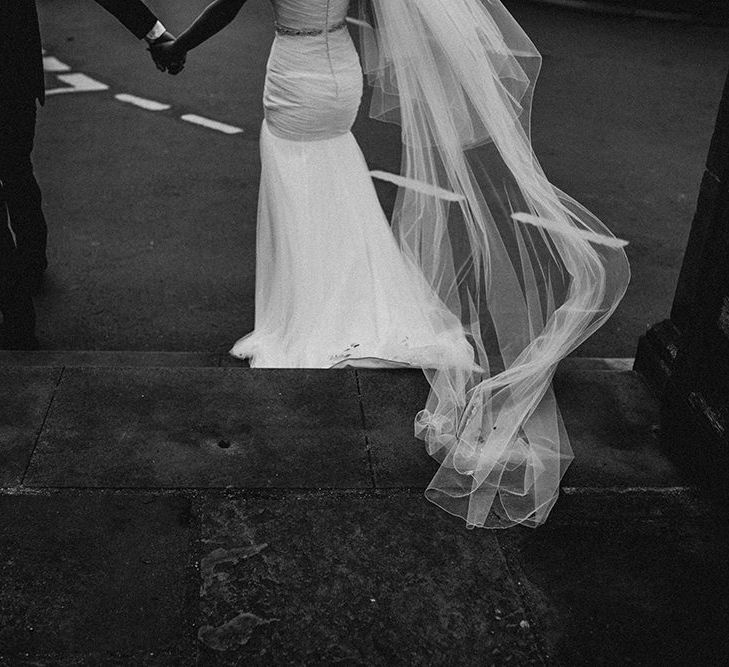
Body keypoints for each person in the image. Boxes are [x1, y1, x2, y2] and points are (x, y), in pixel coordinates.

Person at [153, 0, 631, 529]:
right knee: (334, 172)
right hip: (340, 64)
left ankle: (305, 305)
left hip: (295, 70)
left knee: (294, 179)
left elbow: (225, 6)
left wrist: (177, 47)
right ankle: (347, 291)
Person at [0, 0, 184, 350]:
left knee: (15, 173)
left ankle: (18, 315)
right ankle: (31, 265)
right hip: (14, 73)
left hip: (13, 72)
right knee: (17, 168)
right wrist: (154, 34)